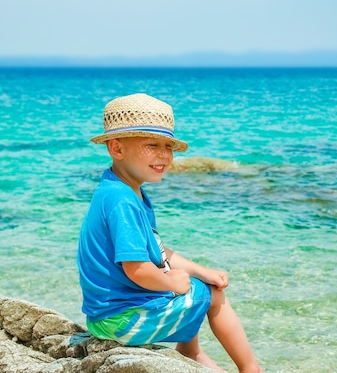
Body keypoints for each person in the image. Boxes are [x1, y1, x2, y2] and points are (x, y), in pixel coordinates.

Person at [77, 93, 263, 373]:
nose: (164, 154)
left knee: (201, 285)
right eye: (152, 145)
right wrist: (172, 283)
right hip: (120, 320)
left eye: (168, 146)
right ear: (116, 148)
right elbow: (137, 270)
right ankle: (251, 369)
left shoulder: (125, 190)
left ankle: (191, 353)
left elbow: (159, 254)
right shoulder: (122, 199)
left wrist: (201, 270)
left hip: (108, 315)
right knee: (211, 296)